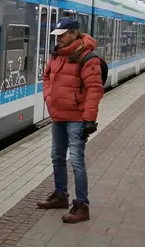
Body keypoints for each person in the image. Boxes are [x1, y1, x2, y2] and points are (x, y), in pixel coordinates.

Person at [38, 17, 104, 223]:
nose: (58, 39)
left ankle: (82, 205)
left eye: (62, 34)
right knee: (57, 156)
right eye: (56, 35)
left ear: (74, 33)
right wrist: (50, 98)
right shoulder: (56, 55)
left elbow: (95, 89)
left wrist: (89, 119)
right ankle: (60, 196)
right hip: (59, 115)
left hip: (77, 117)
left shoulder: (87, 58)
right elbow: (46, 77)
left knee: (76, 161)